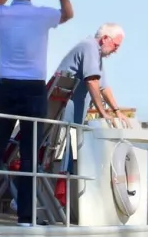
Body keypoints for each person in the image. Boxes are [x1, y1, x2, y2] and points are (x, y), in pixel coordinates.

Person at [0, 0, 74, 223]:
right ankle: (25, 216)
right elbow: (68, 14)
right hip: (33, 88)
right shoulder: (42, 14)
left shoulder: (1, 14)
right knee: (30, 154)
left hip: (7, 87)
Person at [49, 25, 124, 178]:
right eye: (115, 45)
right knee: (55, 161)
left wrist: (117, 111)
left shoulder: (95, 55)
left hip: (70, 124)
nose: (116, 50)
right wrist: (103, 113)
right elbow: (92, 81)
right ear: (105, 39)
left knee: (66, 164)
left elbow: (103, 87)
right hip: (60, 121)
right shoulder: (89, 47)